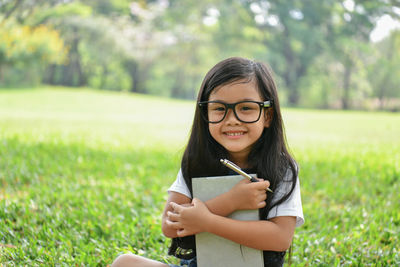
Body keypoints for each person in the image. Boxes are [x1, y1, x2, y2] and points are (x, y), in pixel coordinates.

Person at [111, 57, 304, 267]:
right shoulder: (196, 162)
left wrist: (209, 221)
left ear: (267, 116)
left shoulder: (282, 168)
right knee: (125, 262)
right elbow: (170, 226)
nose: (232, 119)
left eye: (246, 108)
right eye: (219, 108)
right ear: (205, 114)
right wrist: (231, 201)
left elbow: (280, 238)